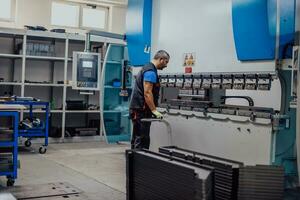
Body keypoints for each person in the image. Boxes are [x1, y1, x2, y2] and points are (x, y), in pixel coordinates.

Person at [129, 50, 170, 149]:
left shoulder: (147, 68)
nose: (166, 65)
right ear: (161, 59)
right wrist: (154, 111)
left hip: (138, 109)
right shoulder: (150, 72)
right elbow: (147, 93)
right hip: (141, 110)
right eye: (166, 62)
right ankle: (139, 162)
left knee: (138, 137)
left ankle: (135, 161)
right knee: (142, 140)